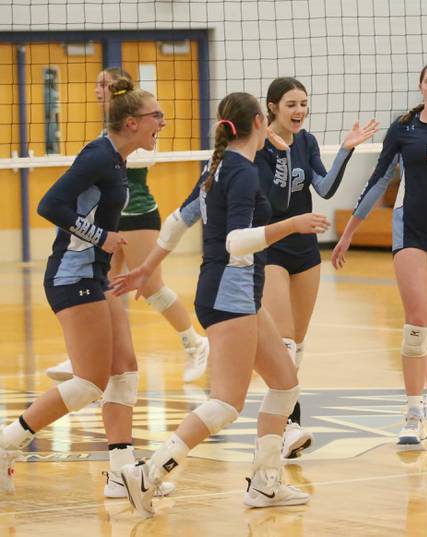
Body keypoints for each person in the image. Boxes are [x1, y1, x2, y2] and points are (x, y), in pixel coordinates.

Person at [112, 92, 330, 517]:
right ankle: (149, 474)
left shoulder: (217, 166)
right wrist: (292, 224)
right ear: (258, 122)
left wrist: (145, 268)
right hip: (230, 292)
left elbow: (178, 221)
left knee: (285, 384)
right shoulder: (243, 173)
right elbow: (235, 242)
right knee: (228, 402)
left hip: (236, 290)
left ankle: (265, 485)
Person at [0, 79, 177, 496]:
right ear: (132, 122)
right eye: (157, 116)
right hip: (72, 275)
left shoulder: (116, 160)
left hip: (96, 276)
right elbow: (49, 204)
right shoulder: (100, 155)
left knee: (125, 370)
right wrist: (101, 237)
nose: (163, 123)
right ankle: (7, 442)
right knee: (89, 382)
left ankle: (121, 473)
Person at [332, 58, 427, 445]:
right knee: (416, 323)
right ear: (421, 88)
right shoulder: (404, 128)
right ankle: (411, 411)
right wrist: (349, 232)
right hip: (411, 229)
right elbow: (378, 179)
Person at [45, 66, 209, 384]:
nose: (98, 90)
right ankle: (89, 350)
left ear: (120, 90)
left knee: (149, 288)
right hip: (110, 225)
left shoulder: (133, 133)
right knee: (105, 285)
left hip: (136, 216)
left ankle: (195, 343)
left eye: (104, 84)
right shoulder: (105, 139)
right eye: (96, 84)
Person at [258, 77, 379, 459]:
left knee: (299, 346)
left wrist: (345, 150)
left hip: (305, 250)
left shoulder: (307, 142)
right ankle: (289, 424)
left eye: (304, 104)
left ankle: (288, 425)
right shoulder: (260, 146)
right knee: (285, 342)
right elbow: (274, 202)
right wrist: (280, 156)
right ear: (273, 107)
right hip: (273, 246)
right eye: (291, 104)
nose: (299, 111)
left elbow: (324, 189)